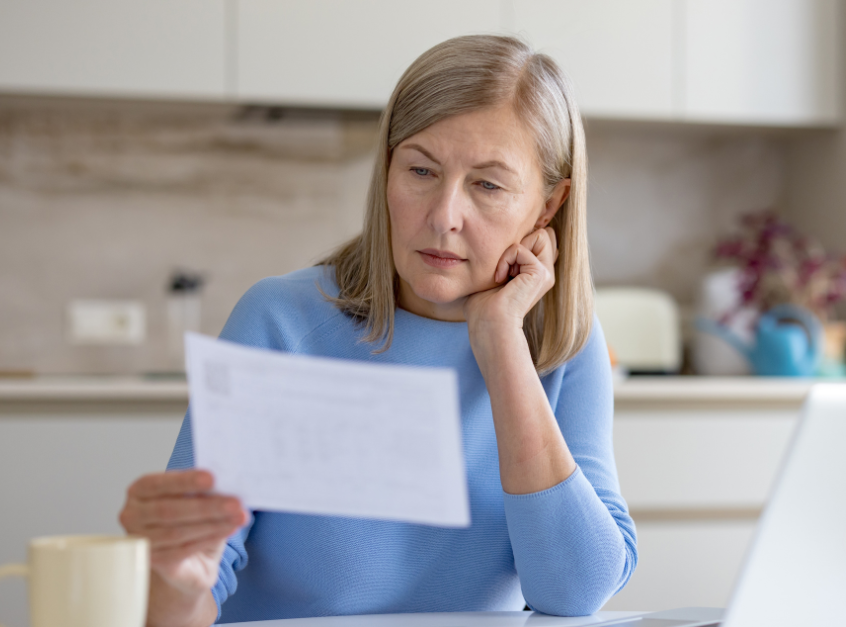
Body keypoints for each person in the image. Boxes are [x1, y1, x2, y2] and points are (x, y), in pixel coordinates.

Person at [118, 34, 637, 626]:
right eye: (421, 170)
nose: (443, 216)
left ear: (548, 206)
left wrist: (502, 346)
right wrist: (173, 580)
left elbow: (575, 594)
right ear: (386, 171)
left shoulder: (563, 345)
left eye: (488, 185)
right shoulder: (280, 323)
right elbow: (187, 589)